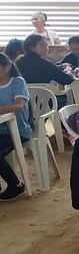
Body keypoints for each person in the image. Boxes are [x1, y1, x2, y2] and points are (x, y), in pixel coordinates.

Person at [0, 53, 31, 201]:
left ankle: (15, 184)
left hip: (18, 130)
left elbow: (19, 106)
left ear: (7, 67)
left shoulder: (17, 81)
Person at [15, 34, 75, 107]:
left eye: (47, 45)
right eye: (42, 45)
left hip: (23, 102)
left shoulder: (18, 62)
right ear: (32, 48)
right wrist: (69, 71)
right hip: (45, 103)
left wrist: (61, 66)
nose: (46, 48)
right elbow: (67, 80)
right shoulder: (45, 64)